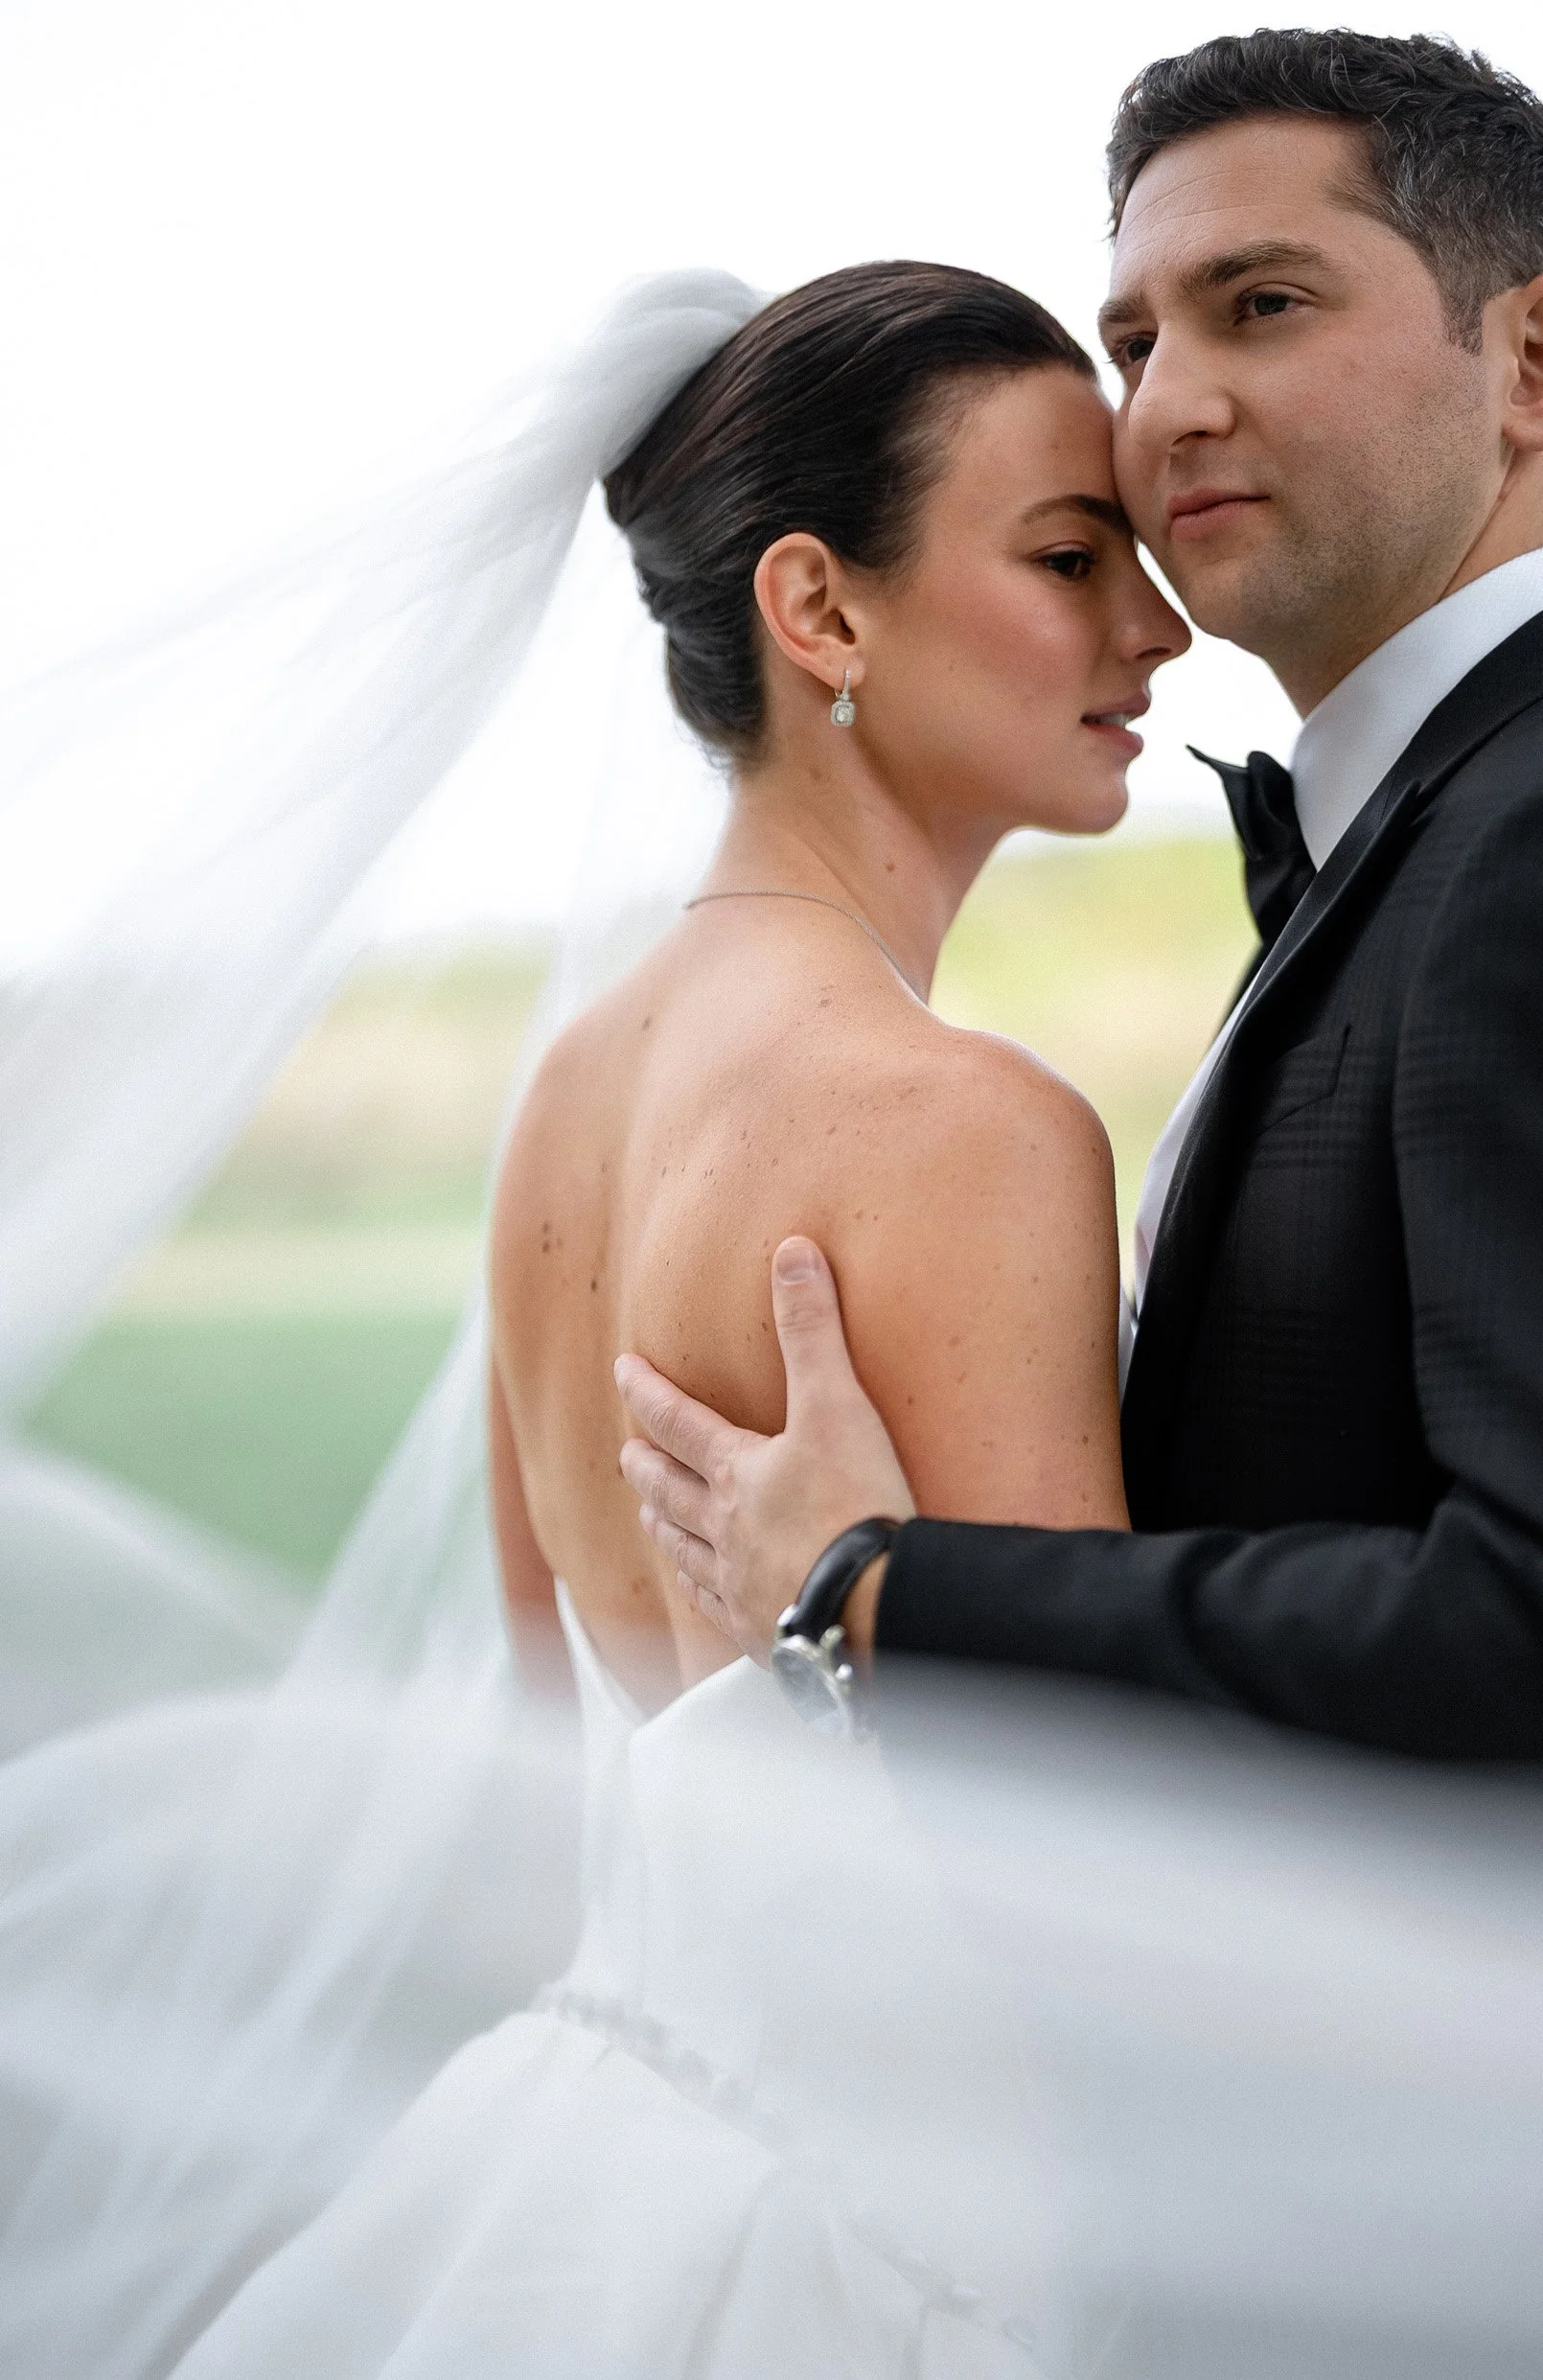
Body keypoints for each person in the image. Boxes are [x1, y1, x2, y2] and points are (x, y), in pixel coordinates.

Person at [157, 261, 1186, 2377]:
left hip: (568, 2184)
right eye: (1071, 557)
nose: (1152, 628)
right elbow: (1096, 1872)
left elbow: (577, 1743)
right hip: (902, 2235)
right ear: (817, 609)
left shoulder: (564, 1105)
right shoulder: (965, 1129)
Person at [616, 27, 1543, 1761]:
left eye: (1262, 305)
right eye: (1135, 340)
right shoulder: (1429, 827)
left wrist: (874, 1590)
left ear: (1536, 360)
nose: (1166, 406)